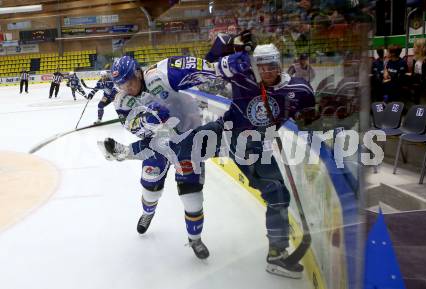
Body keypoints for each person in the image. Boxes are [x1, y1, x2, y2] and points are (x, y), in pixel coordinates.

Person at [207, 41, 316, 279]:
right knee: (276, 192)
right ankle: (276, 255)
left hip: (262, 143)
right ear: (255, 67)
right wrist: (224, 43)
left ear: (280, 65)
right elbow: (210, 62)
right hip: (241, 141)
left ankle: (277, 241)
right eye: (261, 67)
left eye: (271, 66)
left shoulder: (298, 88)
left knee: (279, 195)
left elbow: (310, 116)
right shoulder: (243, 78)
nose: (266, 71)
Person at [98, 56, 218, 259]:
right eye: (121, 84)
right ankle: (148, 213)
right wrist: (148, 120)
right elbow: (133, 127)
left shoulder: (160, 75)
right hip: (158, 145)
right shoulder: (121, 99)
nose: (126, 88)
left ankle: (195, 240)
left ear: (138, 73)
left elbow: (198, 71)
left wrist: (218, 68)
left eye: (128, 82)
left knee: (192, 197)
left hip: (187, 141)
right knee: (150, 189)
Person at [410, 38, 426, 105]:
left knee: (417, 87)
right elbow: (414, 72)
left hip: (425, 82)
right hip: (417, 81)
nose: (413, 48)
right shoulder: (415, 58)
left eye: (415, 46)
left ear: (421, 48)